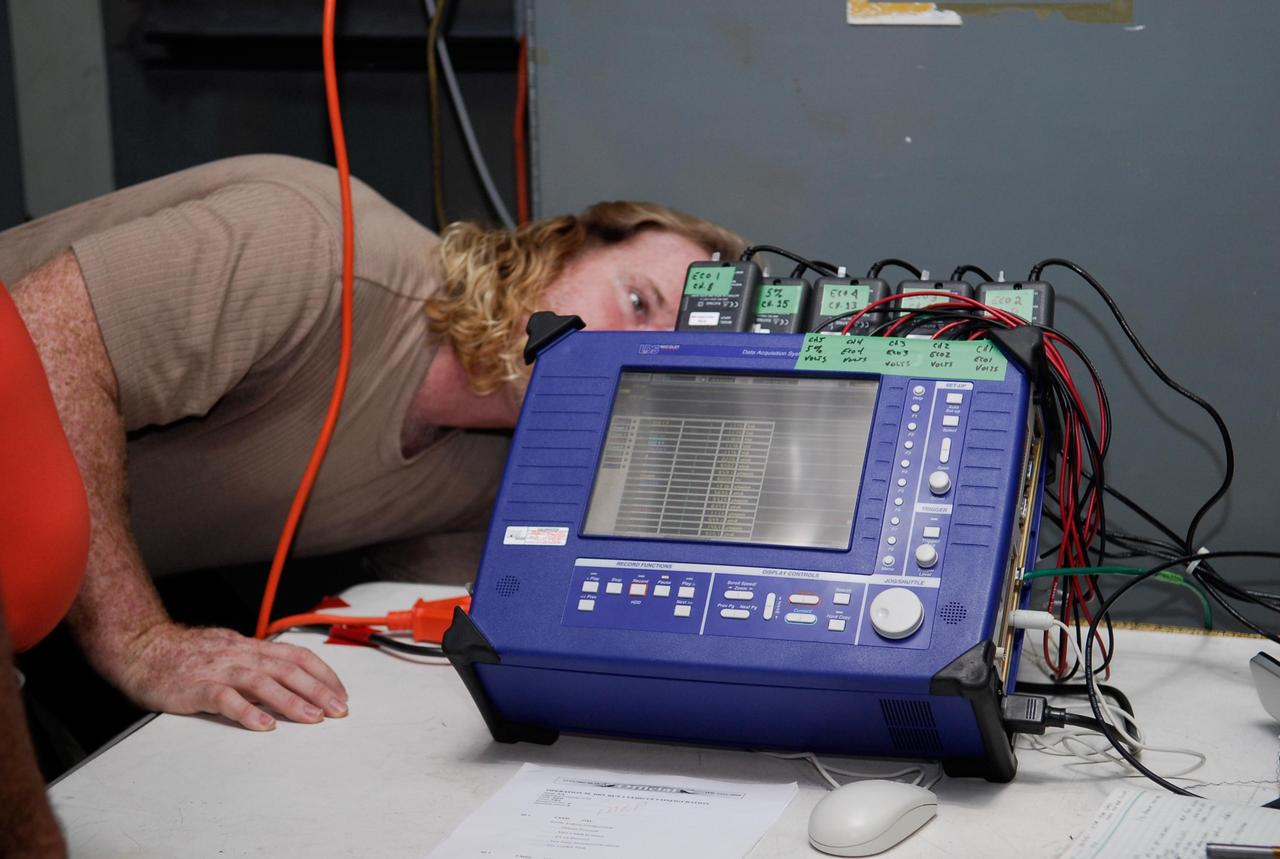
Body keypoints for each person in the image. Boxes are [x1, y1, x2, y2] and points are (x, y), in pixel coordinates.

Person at [0, 154, 746, 736]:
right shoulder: (314, 247)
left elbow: (445, 633)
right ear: (558, 250)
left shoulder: (503, 472)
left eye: (677, 354)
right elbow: (37, 340)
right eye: (637, 301)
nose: (636, 354)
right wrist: (139, 640)